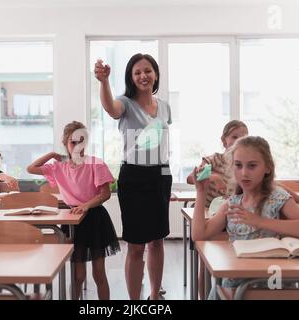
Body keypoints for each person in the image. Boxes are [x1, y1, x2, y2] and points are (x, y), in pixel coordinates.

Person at [190, 136, 299, 299]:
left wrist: (260, 221)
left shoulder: (277, 198)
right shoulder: (233, 204)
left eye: (252, 166)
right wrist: (201, 192)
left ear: (267, 168)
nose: (244, 173)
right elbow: (199, 234)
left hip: (271, 282)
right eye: (238, 165)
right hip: (236, 281)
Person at [94, 53, 172, 300]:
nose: (143, 76)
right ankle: (134, 302)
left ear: (156, 74)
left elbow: (163, 145)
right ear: (131, 77)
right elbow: (110, 108)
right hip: (134, 177)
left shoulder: (165, 107)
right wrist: (104, 81)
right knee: (136, 245)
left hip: (160, 174)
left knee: (158, 241)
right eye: (137, 72)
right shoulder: (124, 103)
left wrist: (167, 176)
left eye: (147, 71)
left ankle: (154, 295)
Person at [27, 121, 120, 300]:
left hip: (95, 219)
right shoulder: (58, 166)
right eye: (73, 142)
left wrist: (86, 205)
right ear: (65, 144)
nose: (78, 146)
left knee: (99, 274)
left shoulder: (96, 164)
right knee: (77, 276)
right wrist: (52, 154)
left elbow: (105, 194)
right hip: (73, 221)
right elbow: (31, 168)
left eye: (82, 141)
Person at [187, 120, 299, 210]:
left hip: (233, 211)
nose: (239, 141)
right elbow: (191, 178)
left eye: (243, 137)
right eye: (234, 137)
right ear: (224, 141)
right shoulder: (213, 160)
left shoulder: (246, 164)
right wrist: (214, 177)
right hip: (210, 210)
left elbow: (272, 183)